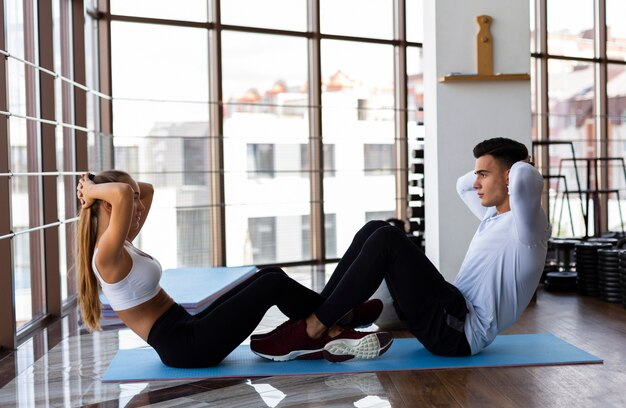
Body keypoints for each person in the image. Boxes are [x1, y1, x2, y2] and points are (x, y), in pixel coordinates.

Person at [254, 137, 550, 358]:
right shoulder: (493, 216)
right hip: (450, 310)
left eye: (483, 175)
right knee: (378, 228)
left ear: (511, 177)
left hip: (460, 333)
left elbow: (527, 179)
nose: (475, 183)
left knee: (387, 241)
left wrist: (519, 165)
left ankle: (312, 329)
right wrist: (494, 168)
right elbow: (462, 185)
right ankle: (331, 319)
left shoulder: (528, 227)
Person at [75, 170, 392, 368]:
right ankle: (333, 327)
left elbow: (147, 189)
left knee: (268, 274)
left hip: (187, 327)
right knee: (271, 286)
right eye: (132, 201)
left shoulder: (120, 242)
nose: (140, 206)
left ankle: (340, 317)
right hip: (185, 347)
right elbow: (121, 194)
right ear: (108, 206)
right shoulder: (106, 253)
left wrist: (109, 189)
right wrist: (92, 190)